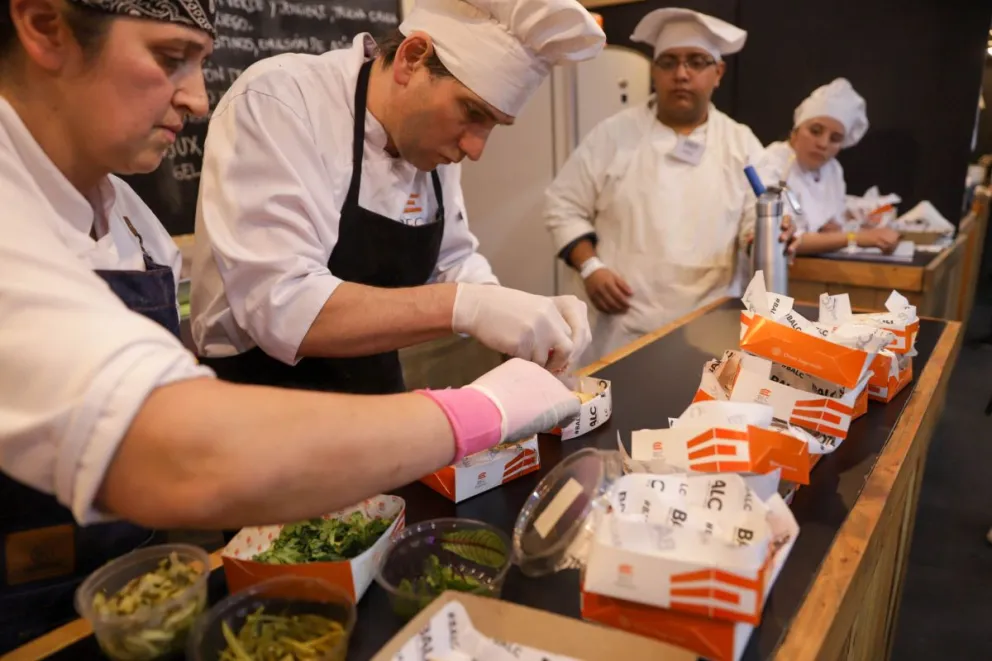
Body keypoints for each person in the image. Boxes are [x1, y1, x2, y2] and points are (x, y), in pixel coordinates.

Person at [0, 0, 581, 649]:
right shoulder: (287, 103)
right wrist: (478, 404)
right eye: (169, 59)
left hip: (147, 538)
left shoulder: (132, 219)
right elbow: (189, 433)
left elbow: (452, 259)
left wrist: (511, 307)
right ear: (45, 27)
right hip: (250, 425)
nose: (196, 99)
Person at [189, 0, 605, 395]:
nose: (476, 149)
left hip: (376, 396)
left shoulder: (428, 146)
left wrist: (518, 312)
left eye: (494, 125)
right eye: (472, 113)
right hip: (258, 405)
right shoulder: (282, 100)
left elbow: (451, 261)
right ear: (412, 58)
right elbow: (281, 307)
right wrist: (470, 306)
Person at [544, 7, 792, 365]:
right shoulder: (613, 135)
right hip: (621, 328)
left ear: (718, 72)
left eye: (696, 61)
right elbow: (562, 205)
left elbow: (759, 218)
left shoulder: (742, 144)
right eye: (668, 62)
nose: (681, 74)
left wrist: (770, 233)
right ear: (654, 71)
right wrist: (590, 267)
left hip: (710, 326)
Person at [749, 78, 901, 255]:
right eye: (815, 131)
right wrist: (856, 237)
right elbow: (781, 239)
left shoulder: (832, 170)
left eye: (835, 139)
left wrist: (838, 230)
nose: (823, 144)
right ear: (796, 130)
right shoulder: (771, 164)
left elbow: (831, 226)